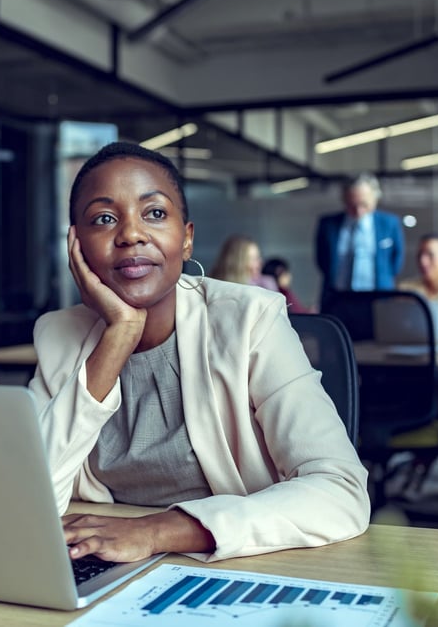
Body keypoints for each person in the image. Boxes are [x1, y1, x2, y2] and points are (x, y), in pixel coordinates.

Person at [28, 142, 369, 565]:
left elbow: (341, 490)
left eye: (154, 213)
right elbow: (27, 503)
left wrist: (155, 531)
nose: (131, 234)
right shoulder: (57, 336)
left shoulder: (250, 320)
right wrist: (120, 335)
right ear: (76, 246)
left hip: (237, 563)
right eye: (104, 219)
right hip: (105, 565)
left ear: (186, 240)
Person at [315, 173, 405, 311]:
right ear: (344, 200)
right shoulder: (328, 224)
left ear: (375, 199)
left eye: (364, 204)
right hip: (338, 299)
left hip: (378, 299)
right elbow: (322, 260)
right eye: (352, 205)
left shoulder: (389, 224)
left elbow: (396, 261)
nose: (358, 211)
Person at [209, 234, 278, 291]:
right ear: (238, 263)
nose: (260, 262)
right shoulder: (212, 287)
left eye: (258, 257)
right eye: (254, 259)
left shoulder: (266, 285)